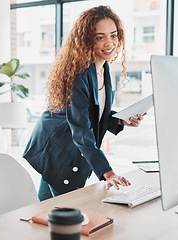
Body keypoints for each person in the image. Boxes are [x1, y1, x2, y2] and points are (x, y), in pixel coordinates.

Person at [23, 5, 145, 201]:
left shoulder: (103, 68)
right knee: (68, 209)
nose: (109, 43)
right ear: (88, 39)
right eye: (100, 37)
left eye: (113, 35)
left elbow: (94, 111)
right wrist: (108, 173)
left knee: (45, 210)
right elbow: (81, 128)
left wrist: (121, 120)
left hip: (67, 145)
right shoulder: (79, 74)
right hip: (58, 146)